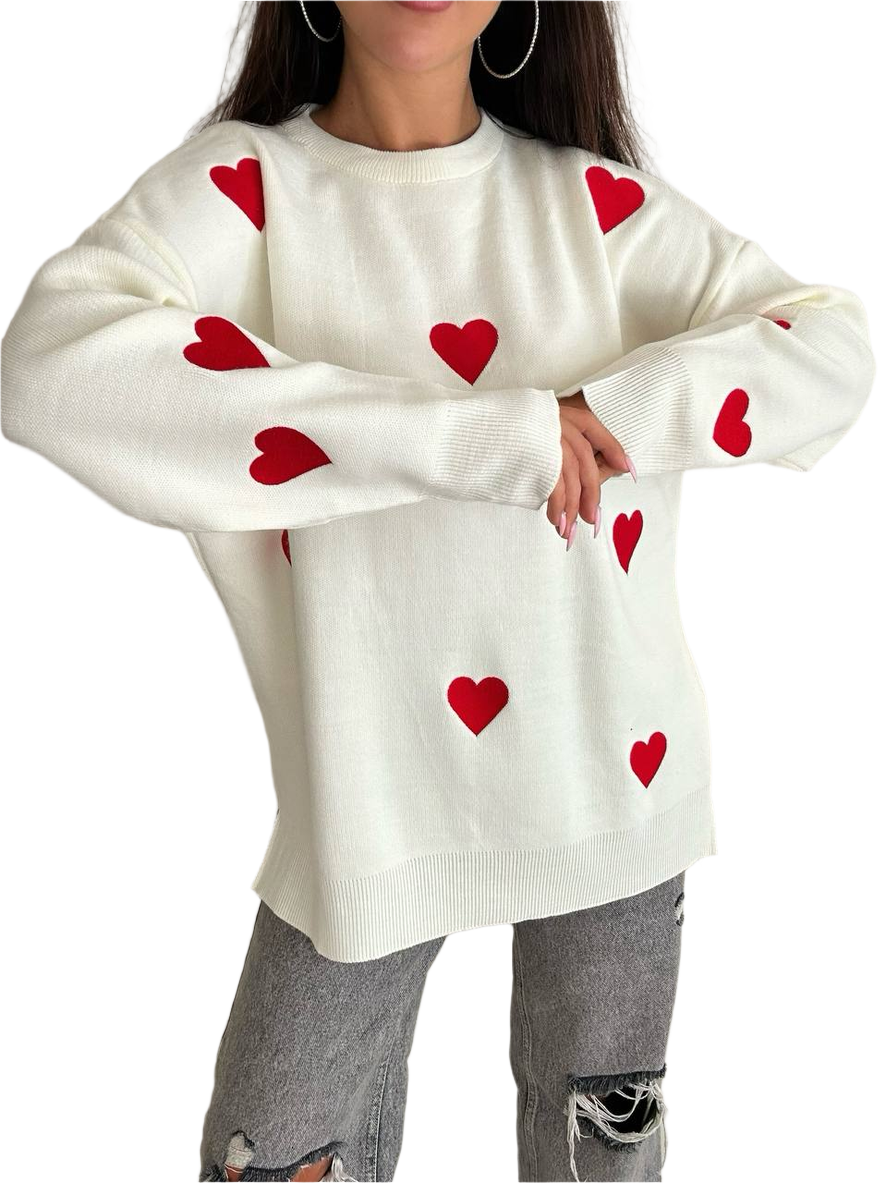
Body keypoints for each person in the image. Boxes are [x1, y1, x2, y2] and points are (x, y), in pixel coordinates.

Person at [0, 0, 877, 1177]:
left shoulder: (587, 205)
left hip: (615, 775)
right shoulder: (250, 191)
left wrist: (612, 415)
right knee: (271, 1153)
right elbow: (54, 365)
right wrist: (466, 433)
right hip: (366, 792)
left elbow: (825, 345)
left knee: (601, 1155)